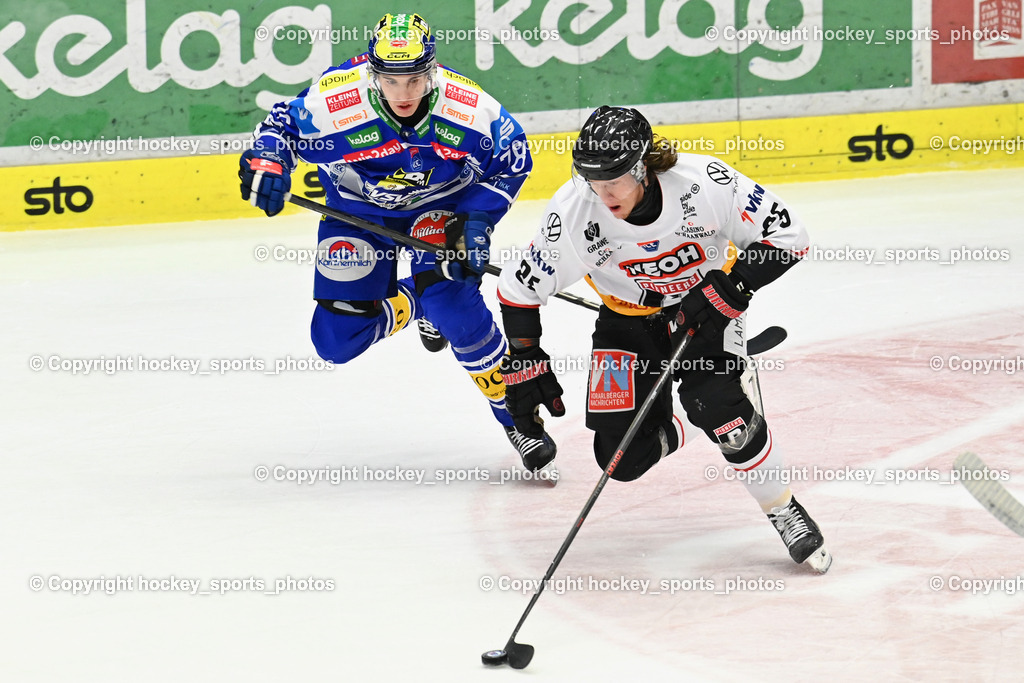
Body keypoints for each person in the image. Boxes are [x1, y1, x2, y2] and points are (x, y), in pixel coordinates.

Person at [496, 106, 831, 572]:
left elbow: (790, 236)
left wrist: (732, 287)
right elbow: (517, 290)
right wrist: (525, 360)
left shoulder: (705, 183)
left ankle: (781, 507)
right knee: (619, 460)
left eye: (613, 179)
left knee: (722, 412)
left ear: (641, 167)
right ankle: (695, 416)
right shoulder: (574, 213)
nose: (602, 192)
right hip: (625, 319)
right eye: (592, 179)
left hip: (706, 312)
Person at [238, 13, 556, 470]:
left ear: (432, 71)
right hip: (357, 213)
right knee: (336, 341)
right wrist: (268, 161)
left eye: (415, 79)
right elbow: (282, 126)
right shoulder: (336, 100)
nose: (403, 93)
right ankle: (416, 300)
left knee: (455, 308)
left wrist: (479, 219)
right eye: (391, 80)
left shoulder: (470, 110)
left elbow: (515, 160)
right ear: (373, 72)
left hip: (440, 210)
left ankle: (513, 413)